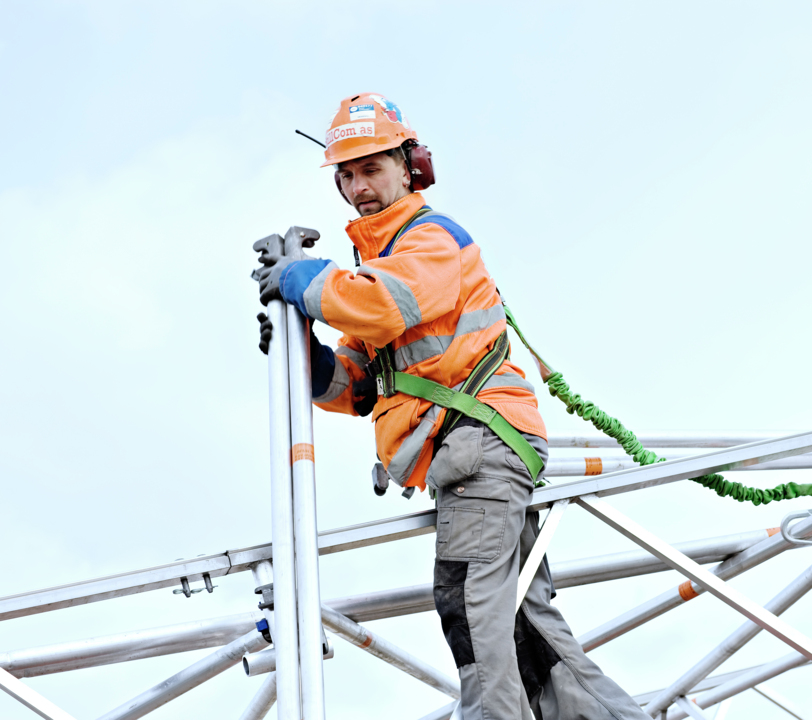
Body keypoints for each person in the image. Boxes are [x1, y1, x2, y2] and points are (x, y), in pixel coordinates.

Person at [257, 93, 650, 720]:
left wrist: (304, 280)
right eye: (346, 175)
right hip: (479, 452)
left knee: (469, 605)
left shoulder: (430, 240)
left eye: (371, 169)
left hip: (480, 448)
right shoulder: (378, 265)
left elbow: (382, 304)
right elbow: (359, 386)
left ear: (410, 167)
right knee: (524, 628)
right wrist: (307, 356)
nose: (358, 188)